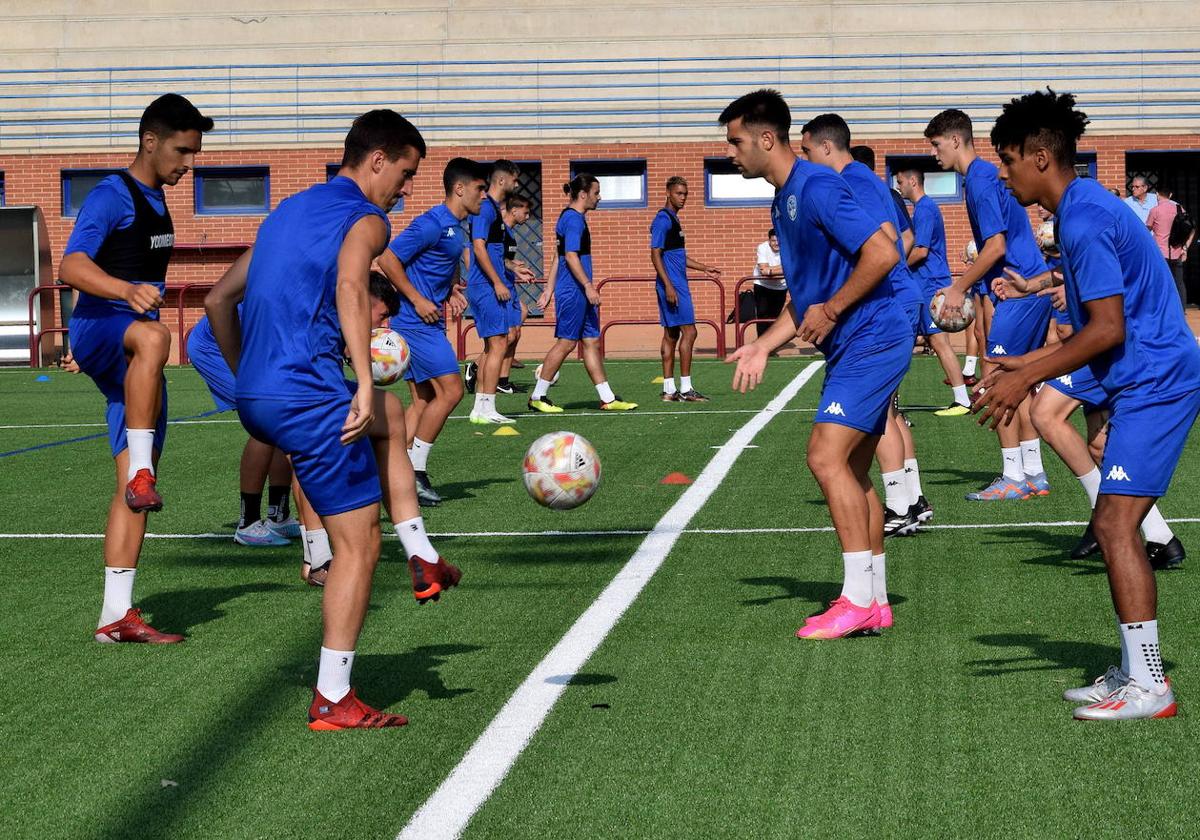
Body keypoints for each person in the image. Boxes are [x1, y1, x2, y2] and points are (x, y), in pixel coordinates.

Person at [206, 109, 460, 730]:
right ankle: (333, 698)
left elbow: (217, 300)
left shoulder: (285, 211)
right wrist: (366, 384)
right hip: (308, 396)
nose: (405, 191)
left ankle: (423, 552)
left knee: (392, 417)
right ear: (378, 159)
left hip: (261, 396)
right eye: (405, 173)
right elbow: (352, 287)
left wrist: (249, 383)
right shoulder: (364, 218)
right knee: (359, 545)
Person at [979, 89, 1200, 720]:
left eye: (1009, 158)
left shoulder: (1081, 216)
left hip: (1158, 381)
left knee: (1113, 527)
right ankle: (1135, 672)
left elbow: (1108, 329)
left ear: (1041, 156)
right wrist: (1027, 365)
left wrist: (1026, 380)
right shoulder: (1083, 209)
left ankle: (1151, 686)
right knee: (1113, 525)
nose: (1004, 171)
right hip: (1141, 379)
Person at [722, 89, 907, 639]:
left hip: (873, 336)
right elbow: (803, 301)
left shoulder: (819, 185)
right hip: (854, 341)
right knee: (850, 469)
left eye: (735, 142)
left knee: (824, 458)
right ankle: (872, 599)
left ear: (766, 138)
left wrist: (833, 307)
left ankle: (855, 601)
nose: (730, 153)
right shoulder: (783, 199)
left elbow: (884, 251)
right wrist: (763, 344)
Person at [60, 94, 212, 644]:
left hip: (133, 356)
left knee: (132, 487)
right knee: (156, 335)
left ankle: (116, 616)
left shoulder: (156, 197)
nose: (188, 164)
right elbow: (70, 264)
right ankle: (143, 470)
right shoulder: (111, 194)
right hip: (105, 326)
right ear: (150, 140)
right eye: (182, 151)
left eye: (193, 153)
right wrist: (125, 290)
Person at [802, 121, 930, 538]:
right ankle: (911, 498)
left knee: (882, 412)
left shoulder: (850, 179)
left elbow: (889, 239)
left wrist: (873, 281)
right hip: (896, 298)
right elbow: (904, 235)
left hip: (885, 310)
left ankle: (899, 505)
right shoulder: (866, 179)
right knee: (887, 408)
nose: (804, 161)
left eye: (806, 152)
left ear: (825, 147)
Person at [925, 108, 1053, 502]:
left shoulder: (979, 181)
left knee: (996, 378)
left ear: (956, 140)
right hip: (1025, 286)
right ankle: (1033, 473)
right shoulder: (982, 178)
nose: (934, 153)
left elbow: (995, 245)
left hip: (1017, 288)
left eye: (936, 144)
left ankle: (1013, 475)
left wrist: (958, 288)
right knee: (1023, 382)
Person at [378, 158, 485, 505]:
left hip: (428, 320)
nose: (484, 196)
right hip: (415, 322)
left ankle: (394, 474)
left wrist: (451, 289)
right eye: (480, 189)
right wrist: (417, 298)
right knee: (452, 391)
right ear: (459, 188)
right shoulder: (432, 223)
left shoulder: (456, 226)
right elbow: (389, 259)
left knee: (423, 400)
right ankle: (416, 472)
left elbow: (438, 262)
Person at [188, 301, 303, 548]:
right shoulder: (275, 278)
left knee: (283, 419)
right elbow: (216, 302)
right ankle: (248, 523)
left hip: (254, 346)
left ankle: (278, 515)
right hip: (217, 348)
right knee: (267, 418)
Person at [527, 174, 638, 413]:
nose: (600, 198)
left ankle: (607, 398)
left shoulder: (571, 218)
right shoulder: (574, 220)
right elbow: (569, 256)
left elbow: (558, 255)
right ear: (583, 194)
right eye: (596, 193)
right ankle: (538, 396)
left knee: (590, 341)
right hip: (575, 291)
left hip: (578, 290)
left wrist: (548, 289)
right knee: (566, 343)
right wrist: (587, 286)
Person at [895, 166, 971, 415]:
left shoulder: (925, 209)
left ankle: (963, 400)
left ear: (913, 180)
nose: (898, 187)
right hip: (924, 283)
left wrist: (894, 268)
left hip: (930, 284)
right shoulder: (922, 209)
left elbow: (921, 251)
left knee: (939, 342)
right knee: (920, 340)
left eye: (900, 181)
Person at [651, 176, 721, 402]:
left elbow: (677, 256)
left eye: (686, 194)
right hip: (674, 286)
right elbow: (655, 254)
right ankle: (687, 389)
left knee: (671, 335)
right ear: (668, 192)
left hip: (676, 283)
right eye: (679, 193)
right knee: (690, 332)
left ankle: (669, 391)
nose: (683, 198)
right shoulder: (663, 220)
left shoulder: (674, 220)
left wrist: (704, 268)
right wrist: (669, 286)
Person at [463, 159, 520, 418]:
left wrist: (512, 268)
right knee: (498, 344)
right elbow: (478, 247)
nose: (516, 184)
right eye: (514, 179)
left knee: (493, 345)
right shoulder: (485, 208)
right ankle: (486, 407)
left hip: (489, 284)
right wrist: (497, 282)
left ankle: (481, 408)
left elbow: (494, 252)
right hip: (485, 286)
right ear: (501, 180)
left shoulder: (493, 210)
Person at [497, 194, 536, 394]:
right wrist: (512, 266)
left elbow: (505, 260)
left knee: (516, 331)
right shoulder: (500, 230)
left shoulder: (510, 233)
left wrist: (516, 266)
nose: (528, 217)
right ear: (514, 210)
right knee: (507, 335)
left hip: (509, 286)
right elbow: (493, 258)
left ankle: (503, 381)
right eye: (526, 212)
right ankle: (478, 368)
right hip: (500, 289)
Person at [1145, 182, 1195, 309]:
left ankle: (1161, 309)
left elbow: (1146, 229)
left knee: (1159, 282)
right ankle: (1181, 310)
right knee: (1179, 282)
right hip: (1177, 251)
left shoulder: (1155, 210)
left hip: (1160, 253)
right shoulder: (1180, 209)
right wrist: (1185, 248)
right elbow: (1191, 229)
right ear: (1171, 195)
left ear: (1157, 194)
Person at [752, 229, 786, 337]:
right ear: (769, 240)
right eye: (773, 241)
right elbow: (763, 270)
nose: (776, 243)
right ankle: (760, 342)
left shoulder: (788, 247)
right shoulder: (762, 247)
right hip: (763, 284)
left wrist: (770, 270)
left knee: (775, 316)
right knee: (762, 315)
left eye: (778, 241)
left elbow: (793, 267)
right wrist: (785, 268)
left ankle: (771, 344)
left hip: (781, 286)